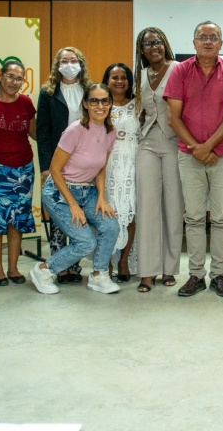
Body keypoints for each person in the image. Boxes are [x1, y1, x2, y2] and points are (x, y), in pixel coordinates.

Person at [164, 21, 223, 298]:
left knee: (222, 218)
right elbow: (173, 117)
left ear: (221, 43)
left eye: (214, 37)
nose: (208, 41)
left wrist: (207, 146)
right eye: (203, 37)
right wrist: (195, 147)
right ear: (194, 42)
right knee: (194, 217)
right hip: (189, 155)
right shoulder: (180, 71)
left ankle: (219, 275)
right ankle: (196, 275)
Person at [30, 84, 120, 295]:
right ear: (86, 104)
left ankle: (98, 275)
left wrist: (101, 198)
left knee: (111, 226)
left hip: (86, 190)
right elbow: (54, 169)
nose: (100, 105)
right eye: (94, 101)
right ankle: (44, 270)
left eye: (105, 100)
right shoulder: (75, 130)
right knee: (86, 242)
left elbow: (100, 167)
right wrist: (72, 204)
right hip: (59, 193)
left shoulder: (110, 131)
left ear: (110, 103)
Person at [133, 27, 184, 293]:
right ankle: (147, 271)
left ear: (165, 45)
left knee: (173, 207)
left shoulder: (180, 69)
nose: (154, 47)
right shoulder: (138, 75)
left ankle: (169, 269)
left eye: (158, 42)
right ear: (141, 50)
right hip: (147, 144)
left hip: (175, 143)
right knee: (147, 207)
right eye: (148, 44)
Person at [0, 60, 37, 287]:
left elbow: (35, 134)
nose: (14, 82)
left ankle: (13, 268)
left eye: (19, 78)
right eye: (10, 76)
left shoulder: (26, 103)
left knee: (17, 221)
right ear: (0, 76)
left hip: (23, 170)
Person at [37, 47, 92, 284]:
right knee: (60, 213)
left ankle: (74, 266)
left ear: (81, 63)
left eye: (73, 60)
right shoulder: (48, 92)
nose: (69, 64)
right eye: (64, 60)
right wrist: (46, 167)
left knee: (77, 211)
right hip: (58, 161)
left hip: (82, 161)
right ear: (57, 65)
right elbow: (42, 131)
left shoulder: (90, 90)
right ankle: (59, 266)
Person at [102, 63, 138, 283]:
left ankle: (124, 260)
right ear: (107, 80)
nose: (119, 81)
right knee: (107, 214)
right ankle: (105, 261)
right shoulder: (100, 104)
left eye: (123, 77)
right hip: (106, 165)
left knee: (131, 212)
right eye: (114, 77)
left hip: (133, 163)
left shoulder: (138, 104)